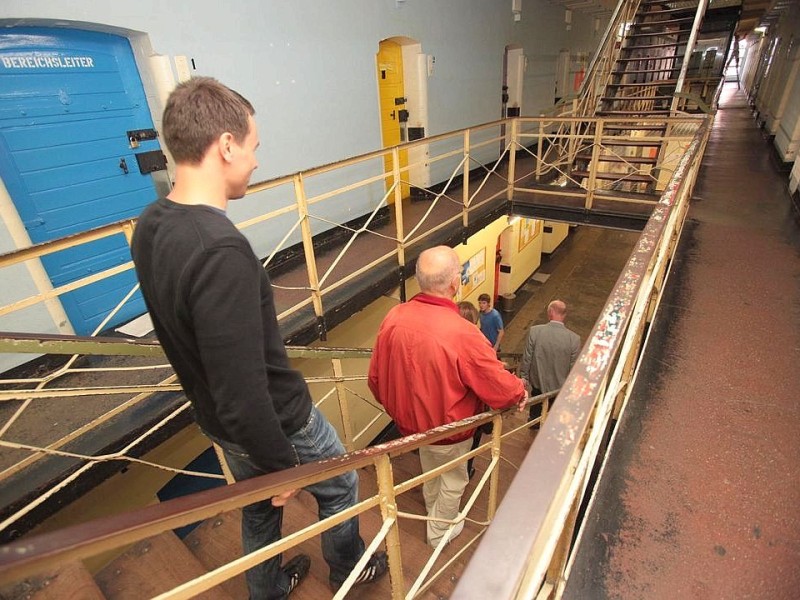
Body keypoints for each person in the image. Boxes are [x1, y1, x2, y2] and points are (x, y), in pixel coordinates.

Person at [130, 77, 386, 598]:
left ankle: (265, 589)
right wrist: (281, 465)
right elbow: (244, 389)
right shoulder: (220, 250)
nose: (255, 160)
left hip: (215, 421)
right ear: (225, 145)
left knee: (256, 506)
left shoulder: (153, 222)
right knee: (341, 487)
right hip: (279, 421)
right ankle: (349, 570)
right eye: (253, 147)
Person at [369, 246, 527, 547]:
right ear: (455, 283)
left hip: (412, 430)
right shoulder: (463, 333)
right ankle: (439, 531)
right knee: (454, 480)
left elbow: (375, 380)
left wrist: (404, 409)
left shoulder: (394, 317)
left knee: (430, 470)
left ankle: (432, 511)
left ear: (419, 281)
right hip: (450, 431)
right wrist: (520, 391)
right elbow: (502, 390)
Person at [519, 300, 581, 428]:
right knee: (554, 417)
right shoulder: (574, 339)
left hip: (538, 385)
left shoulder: (535, 332)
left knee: (535, 411)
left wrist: (524, 377)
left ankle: (534, 425)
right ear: (564, 315)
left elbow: (527, 357)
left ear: (551, 312)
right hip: (558, 388)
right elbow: (573, 368)